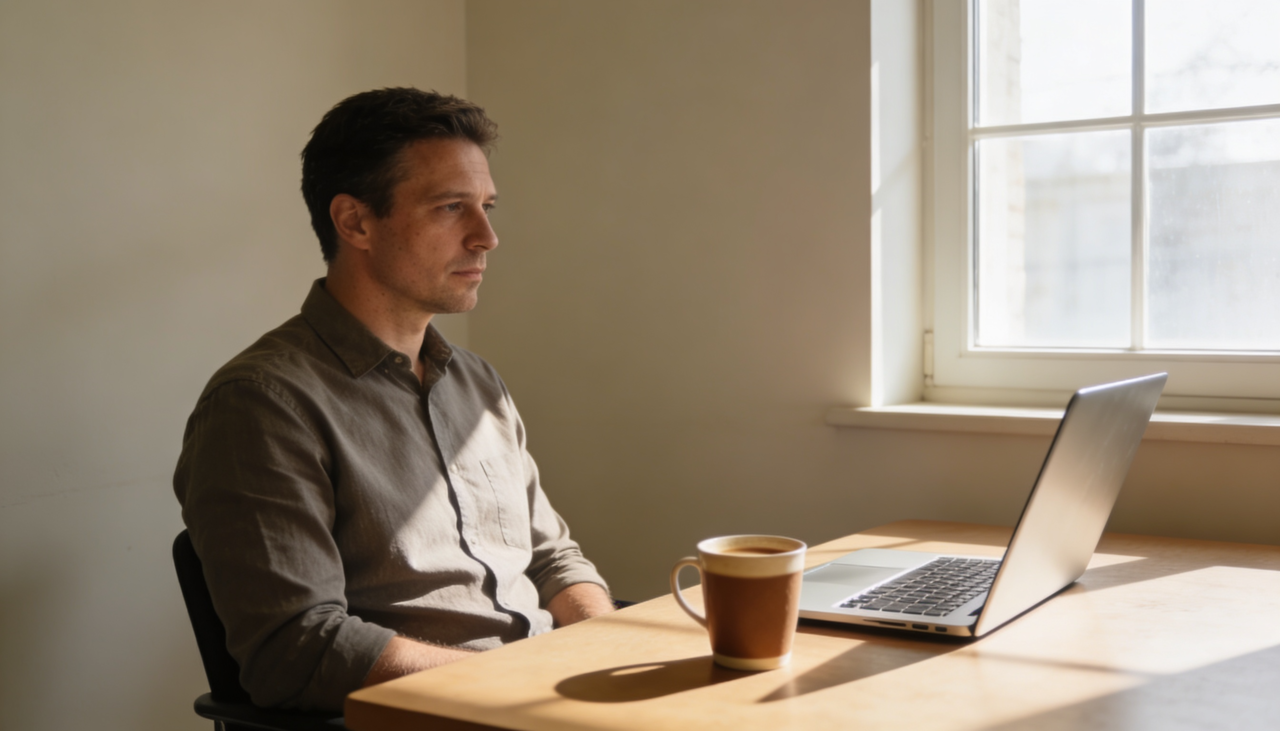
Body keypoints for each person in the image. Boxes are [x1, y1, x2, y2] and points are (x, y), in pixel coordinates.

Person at [173, 88, 614, 711]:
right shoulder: (262, 404)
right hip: (440, 715)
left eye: (486, 206)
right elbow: (298, 648)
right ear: (355, 221)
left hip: (537, 701)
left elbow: (552, 559)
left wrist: (612, 648)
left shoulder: (477, 383)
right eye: (450, 207)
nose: (487, 236)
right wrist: (518, 682)